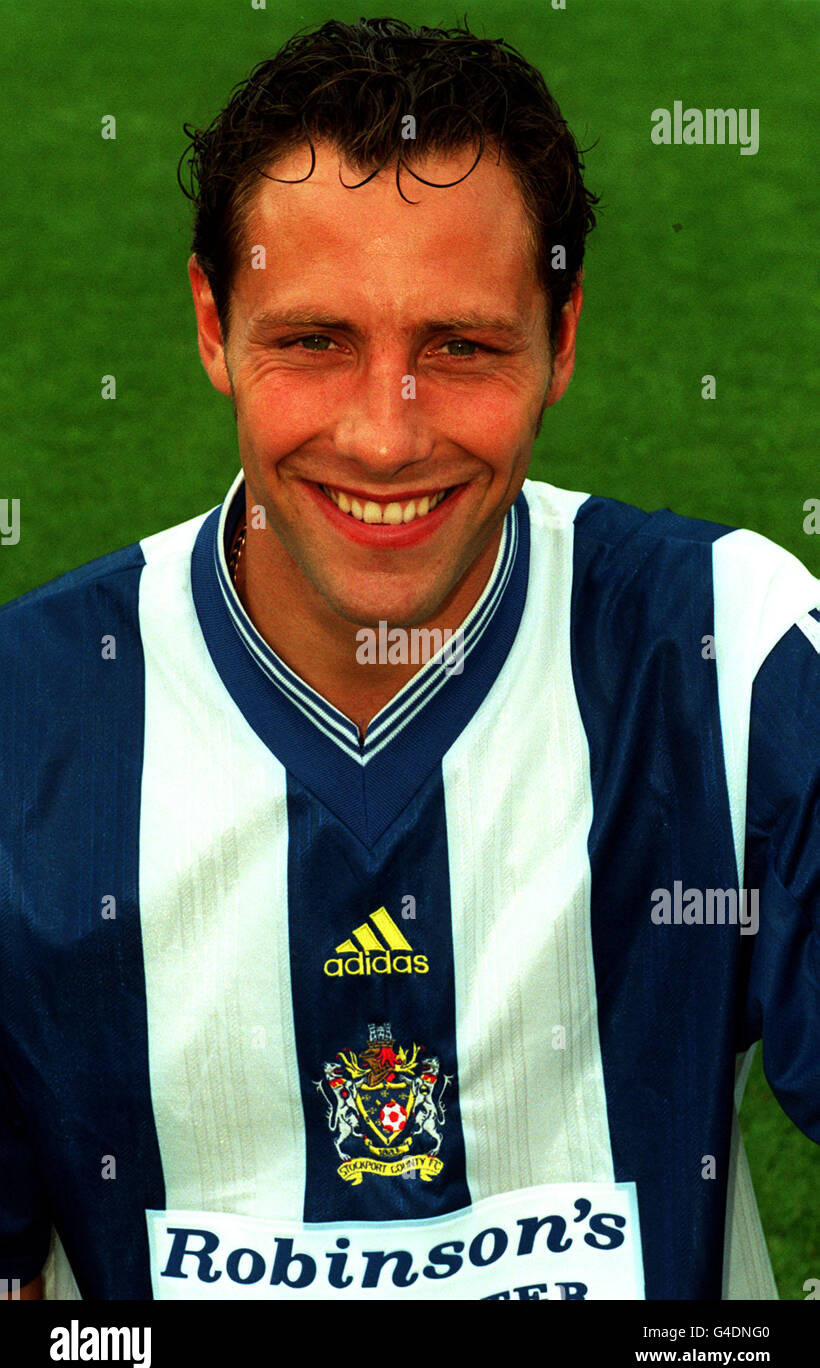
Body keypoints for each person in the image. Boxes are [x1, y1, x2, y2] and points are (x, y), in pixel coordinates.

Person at [1, 17, 817, 1302]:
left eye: (463, 346)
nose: (386, 437)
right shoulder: (26, 724)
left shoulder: (731, 653)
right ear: (214, 326)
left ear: (562, 337)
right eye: (316, 341)